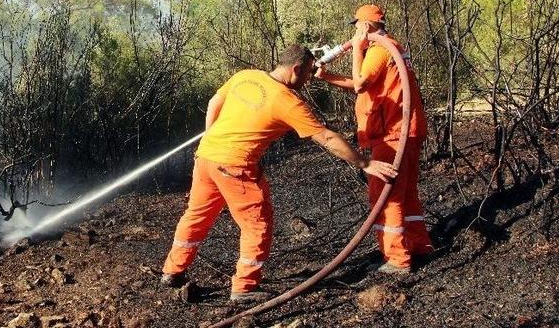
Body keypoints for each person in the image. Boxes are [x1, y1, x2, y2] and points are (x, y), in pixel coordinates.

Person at [160, 44, 397, 304]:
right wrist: (364, 163)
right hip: (235, 166)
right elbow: (327, 138)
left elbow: (214, 101)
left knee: (197, 216)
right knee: (257, 224)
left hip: (205, 158)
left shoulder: (245, 76)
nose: (307, 80)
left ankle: (173, 271)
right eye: (307, 74)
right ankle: (244, 288)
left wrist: (211, 137)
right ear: (295, 68)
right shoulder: (287, 101)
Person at [315, 4, 434, 274]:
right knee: (406, 194)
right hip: (406, 130)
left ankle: (397, 259)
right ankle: (419, 246)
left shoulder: (380, 49)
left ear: (367, 27)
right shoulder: (391, 48)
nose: (355, 31)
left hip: (392, 134)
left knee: (385, 196)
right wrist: (328, 77)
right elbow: (365, 84)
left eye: (357, 25)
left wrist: (357, 48)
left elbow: (360, 84)